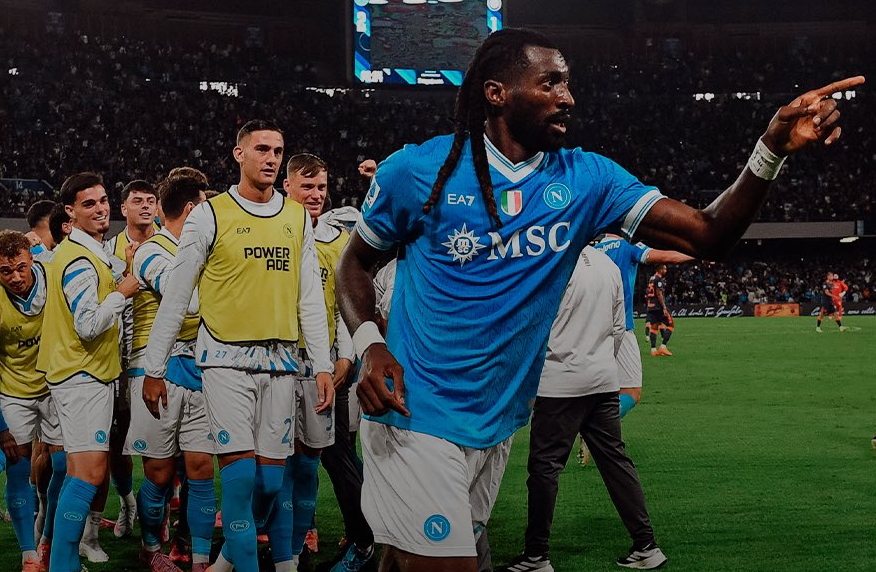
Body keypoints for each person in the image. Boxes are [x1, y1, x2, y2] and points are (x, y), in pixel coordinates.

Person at [335, 27, 862, 572]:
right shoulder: (417, 171)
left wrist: (770, 150)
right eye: (550, 83)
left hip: (495, 425)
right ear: (496, 93)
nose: (568, 97)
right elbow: (355, 264)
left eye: (568, 84)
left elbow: (709, 235)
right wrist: (371, 343)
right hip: (414, 413)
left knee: (403, 560)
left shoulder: (588, 179)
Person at [142, 120, 334, 572]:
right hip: (225, 361)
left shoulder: (295, 217)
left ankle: (226, 559)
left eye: (278, 151)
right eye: (262, 149)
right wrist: (154, 367)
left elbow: (309, 295)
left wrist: (322, 363)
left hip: (282, 362)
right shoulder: (210, 215)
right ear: (239, 154)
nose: (271, 158)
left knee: (270, 485)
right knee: (242, 479)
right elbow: (177, 295)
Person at [498, 246, 665, 572]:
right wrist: (601, 362)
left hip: (559, 384)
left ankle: (536, 556)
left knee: (545, 469)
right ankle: (647, 546)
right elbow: (619, 328)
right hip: (603, 380)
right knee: (616, 463)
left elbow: (531, 326)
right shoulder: (607, 264)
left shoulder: (550, 261)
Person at [36, 172, 140, 572]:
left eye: (103, 200)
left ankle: (59, 560)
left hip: (81, 374)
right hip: (82, 376)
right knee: (89, 474)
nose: (100, 209)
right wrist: (122, 293)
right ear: (70, 212)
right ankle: (61, 562)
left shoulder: (85, 253)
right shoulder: (79, 260)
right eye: (89, 204)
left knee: (80, 473)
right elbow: (88, 323)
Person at [282, 153, 373, 572]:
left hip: (326, 367)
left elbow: (342, 307)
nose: (316, 194)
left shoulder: (338, 241)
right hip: (282, 363)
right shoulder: (277, 233)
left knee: (336, 455)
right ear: (288, 187)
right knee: (281, 460)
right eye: (308, 186)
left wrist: (345, 358)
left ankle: (365, 540)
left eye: (321, 187)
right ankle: (291, 545)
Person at [124, 170, 214, 572]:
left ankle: (198, 557)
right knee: (159, 473)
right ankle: (150, 547)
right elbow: (188, 302)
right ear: (192, 209)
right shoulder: (151, 251)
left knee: (201, 467)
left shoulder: (205, 250)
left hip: (200, 366)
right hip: (153, 370)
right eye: (207, 205)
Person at [0, 230, 67, 572]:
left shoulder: (54, 272)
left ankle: (48, 540)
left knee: (65, 465)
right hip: (14, 391)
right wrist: (1, 428)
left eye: (20, 268)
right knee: (17, 466)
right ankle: (29, 555)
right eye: (5, 271)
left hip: (56, 383)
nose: (15, 277)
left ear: (31, 260)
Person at [645, 265, 674, 356]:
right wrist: (664, 307)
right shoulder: (658, 279)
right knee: (671, 325)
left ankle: (653, 350)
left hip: (651, 306)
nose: (666, 270)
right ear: (660, 269)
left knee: (654, 328)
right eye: (664, 269)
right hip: (658, 307)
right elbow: (659, 293)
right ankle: (663, 347)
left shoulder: (651, 278)